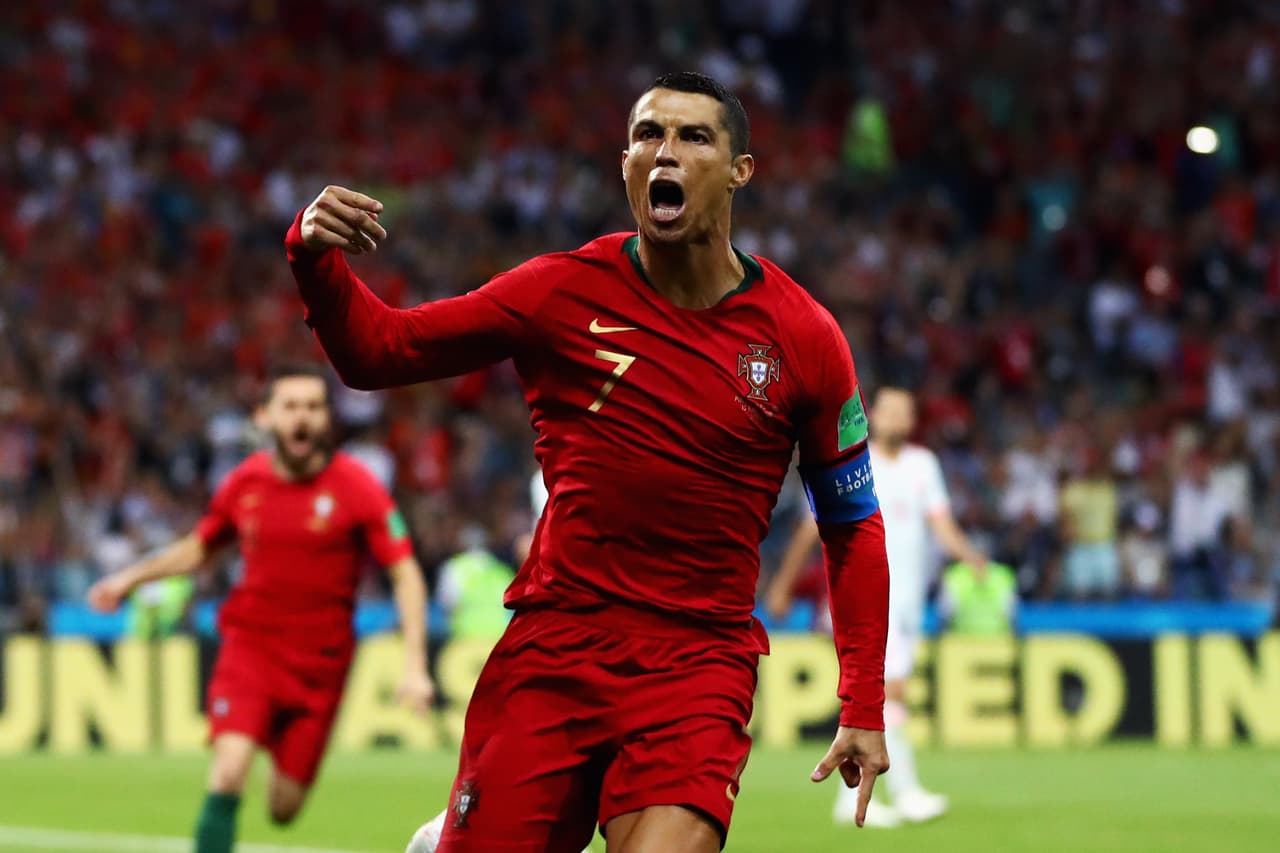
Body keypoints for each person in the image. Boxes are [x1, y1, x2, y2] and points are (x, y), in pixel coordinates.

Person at [287, 71, 891, 853]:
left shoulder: (804, 336)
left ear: (740, 170)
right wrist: (311, 253)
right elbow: (380, 351)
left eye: (693, 137)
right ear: (627, 164)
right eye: (648, 135)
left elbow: (852, 525)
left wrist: (863, 702)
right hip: (557, 651)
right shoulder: (559, 292)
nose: (665, 151)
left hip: (697, 663)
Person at [87, 363, 434, 853]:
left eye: (313, 407)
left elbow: (405, 573)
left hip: (321, 666)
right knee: (227, 773)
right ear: (265, 417)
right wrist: (128, 578)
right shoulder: (244, 482)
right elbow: (197, 548)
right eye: (291, 406)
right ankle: (245, 738)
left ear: (326, 420)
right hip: (252, 648)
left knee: (283, 810)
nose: (303, 418)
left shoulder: (358, 488)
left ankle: (271, 741)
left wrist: (415, 664)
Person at [765, 385, 985, 828]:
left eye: (906, 411)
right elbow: (812, 528)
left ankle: (879, 796)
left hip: (905, 604)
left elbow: (940, 524)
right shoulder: (851, 462)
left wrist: (972, 559)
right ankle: (893, 795)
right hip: (860, 602)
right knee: (883, 694)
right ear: (872, 416)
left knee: (883, 698)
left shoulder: (924, 465)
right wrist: (784, 585)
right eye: (890, 411)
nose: (898, 419)